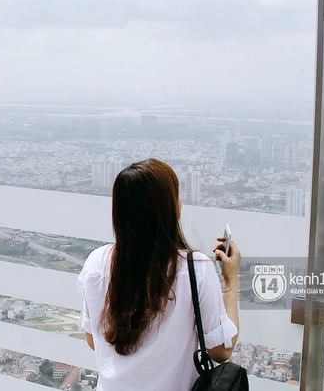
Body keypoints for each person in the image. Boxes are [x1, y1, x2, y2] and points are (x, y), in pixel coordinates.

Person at [76, 158, 241, 390]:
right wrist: (230, 282)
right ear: (169, 208)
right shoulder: (195, 269)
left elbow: (94, 340)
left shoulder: (96, 263)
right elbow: (221, 351)